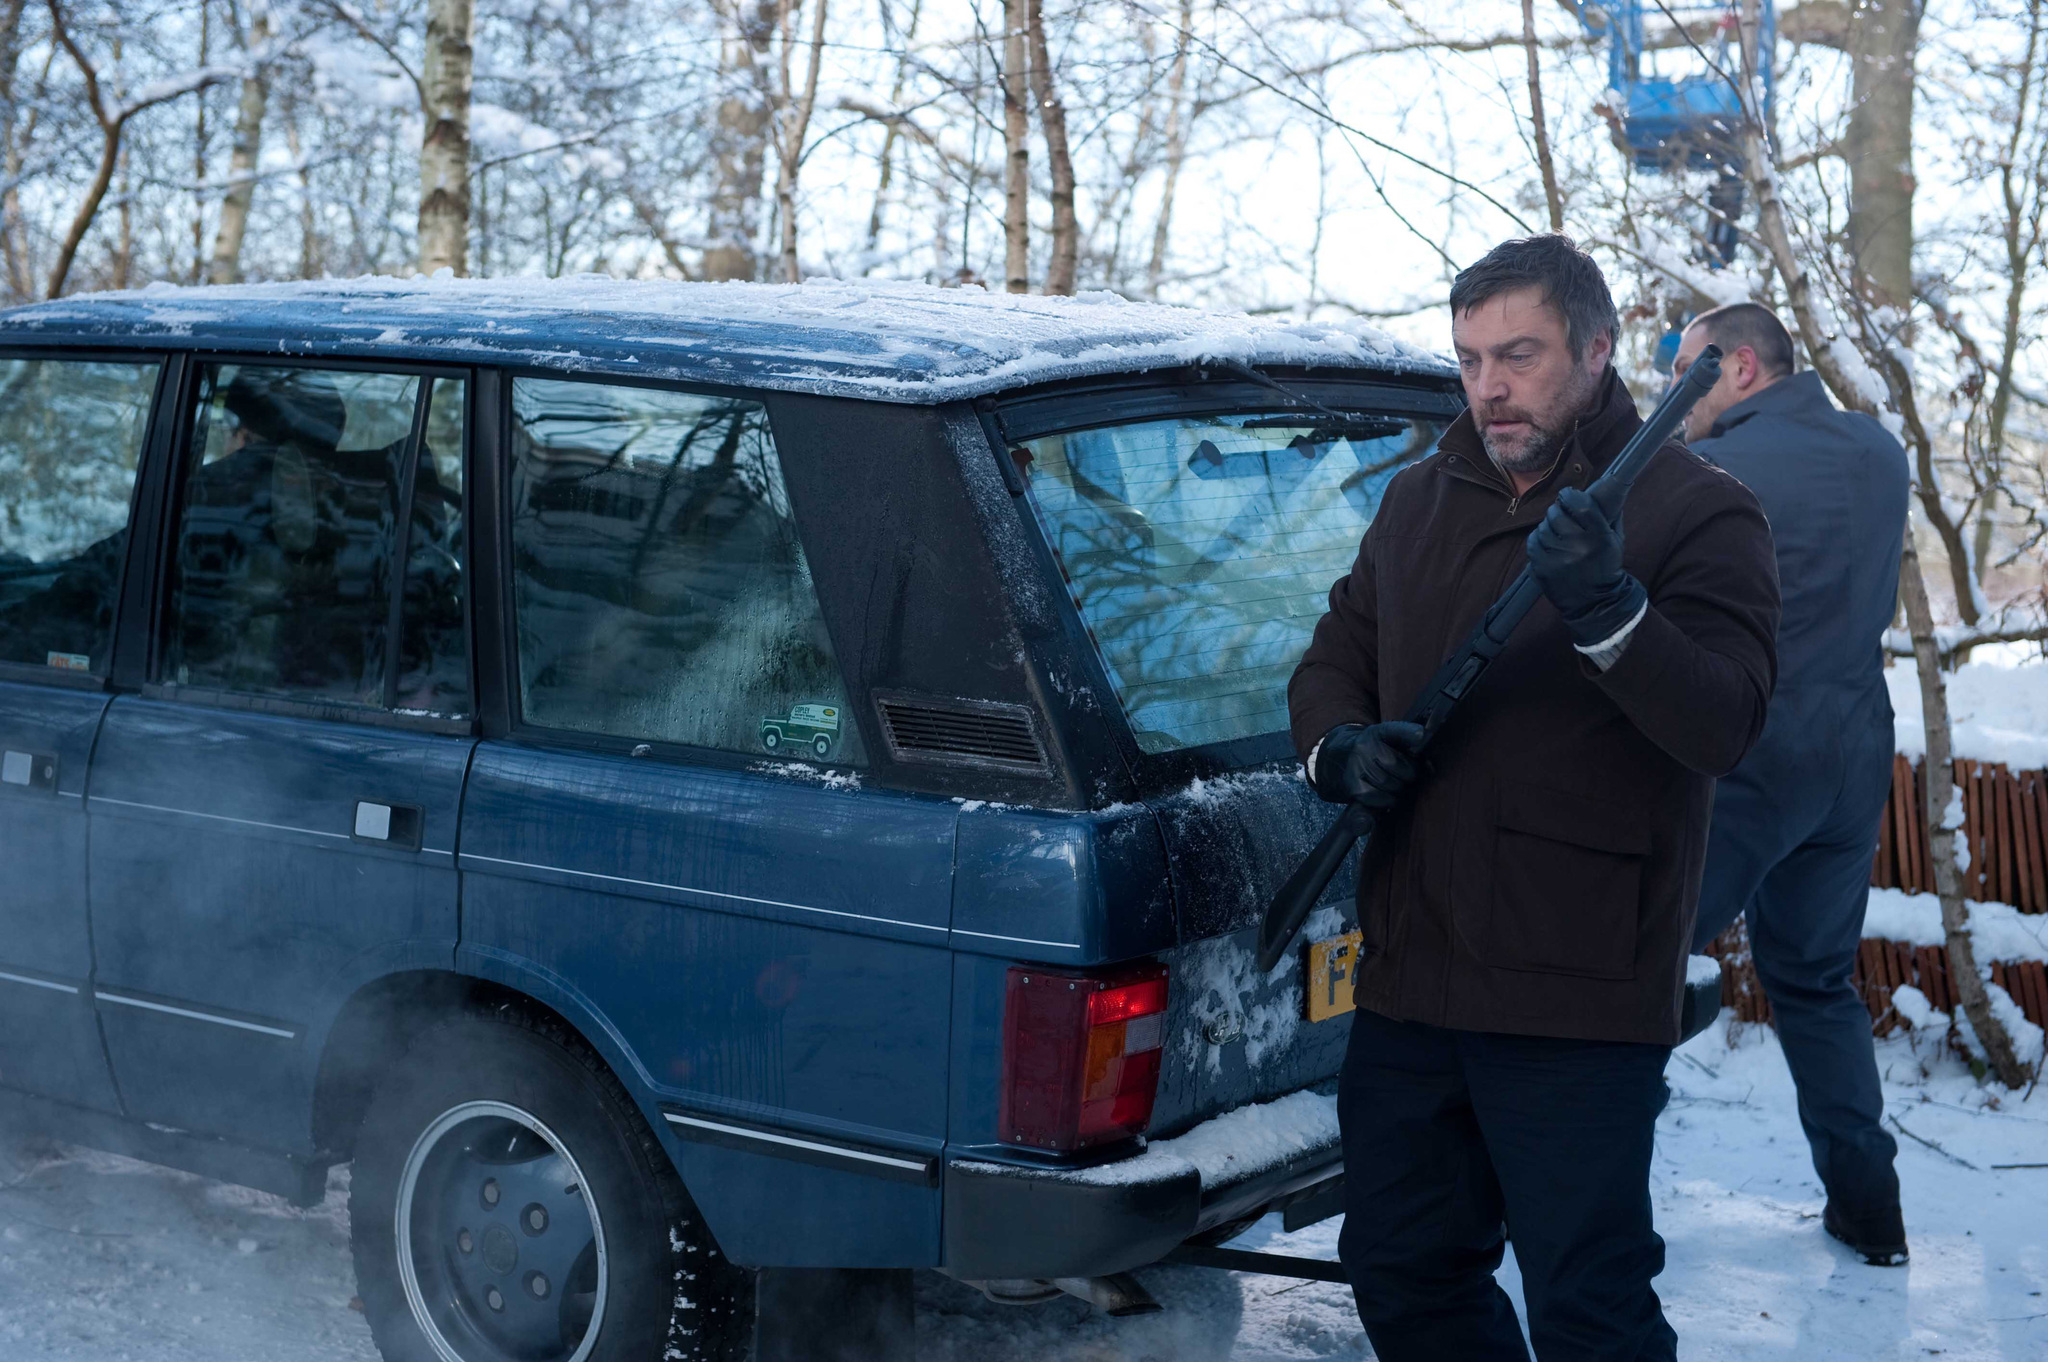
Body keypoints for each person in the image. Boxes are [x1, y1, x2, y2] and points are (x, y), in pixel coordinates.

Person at [1288, 234, 1780, 1360]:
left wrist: (1608, 607)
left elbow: (1725, 720)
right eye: (1467, 360)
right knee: (1401, 1270)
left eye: (1517, 354)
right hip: (1412, 974)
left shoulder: (1694, 512)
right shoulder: (1417, 499)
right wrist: (1338, 749)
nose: (1488, 387)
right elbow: (1333, 655)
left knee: (1587, 1306)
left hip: (1574, 990)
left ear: (1597, 351)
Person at [1673, 303, 1912, 1266]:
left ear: (1738, 368)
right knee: (1816, 981)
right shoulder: (1878, 451)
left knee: (1627, 974)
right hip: (1853, 755)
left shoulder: (1709, 475)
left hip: (1747, 760)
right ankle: (1871, 1209)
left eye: (1682, 368)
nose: (1671, 393)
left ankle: (1571, 1199)